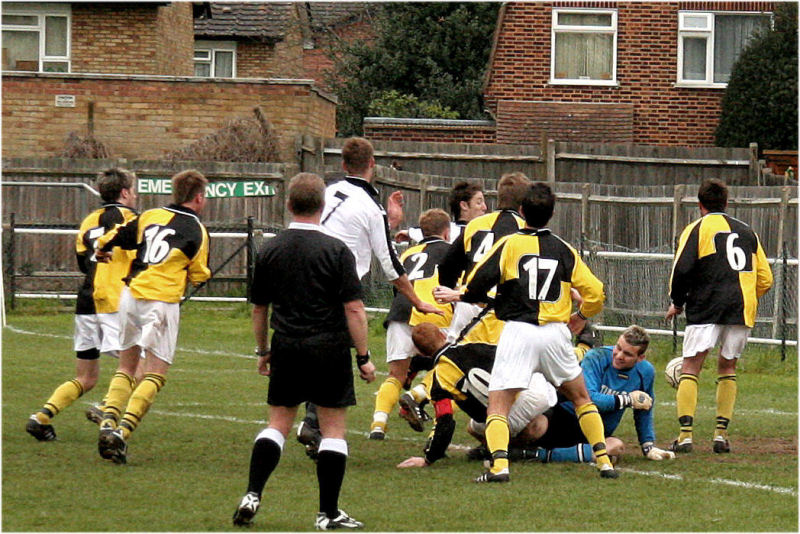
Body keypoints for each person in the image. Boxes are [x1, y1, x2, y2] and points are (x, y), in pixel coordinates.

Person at [435, 182, 618, 481]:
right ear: (552, 214)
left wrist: (462, 295)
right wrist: (581, 316)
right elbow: (596, 292)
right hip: (555, 334)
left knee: (498, 404)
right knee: (582, 398)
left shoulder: (509, 245)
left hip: (519, 332)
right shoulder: (563, 248)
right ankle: (603, 461)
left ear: (522, 212)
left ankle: (500, 467)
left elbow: (478, 281)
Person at [231, 173, 376, 530]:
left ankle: (252, 492)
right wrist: (363, 356)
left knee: (277, 425)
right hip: (328, 348)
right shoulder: (337, 250)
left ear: (288, 204)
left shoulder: (271, 249)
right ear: (323, 206)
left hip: (287, 345)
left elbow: (259, 309)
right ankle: (328, 513)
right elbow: (354, 309)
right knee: (333, 431)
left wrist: (263, 350)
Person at [298, 137, 441, 453]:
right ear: (373, 164)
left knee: (317, 350)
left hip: (304, 275)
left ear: (343, 165)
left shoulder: (327, 191)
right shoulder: (369, 206)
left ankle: (313, 425)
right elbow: (389, 262)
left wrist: (389, 223)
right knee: (334, 354)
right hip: (337, 283)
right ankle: (313, 423)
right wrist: (416, 300)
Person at [93, 169, 211, 464]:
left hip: (131, 295)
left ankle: (108, 422)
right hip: (161, 302)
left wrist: (102, 250)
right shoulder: (197, 229)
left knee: (126, 364)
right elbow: (199, 274)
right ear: (198, 198)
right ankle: (121, 433)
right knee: (156, 372)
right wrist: (199, 274)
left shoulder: (149, 216)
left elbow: (115, 237)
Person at [25, 168, 139, 441]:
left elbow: (82, 262)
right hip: (114, 300)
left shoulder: (89, 220)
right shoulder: (132, 220)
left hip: (87, 300)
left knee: (86, 376)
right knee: (140, 366)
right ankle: (107, 414)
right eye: (133, 190)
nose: (135, 195)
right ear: (124, 192)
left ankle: (41, 418)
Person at [665, 178, 772, 454]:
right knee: (727, 368)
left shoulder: (696, 229)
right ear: (726, 203)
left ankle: (685, 435)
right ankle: (721, 435)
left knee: (691, 367)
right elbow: (766, 278)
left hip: (706, 306)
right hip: (740, 307)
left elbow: (682, 270)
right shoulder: (748, 232)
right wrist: (746, 295)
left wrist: (677, 303)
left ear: (700, 205)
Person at [472, 326, 675, 465]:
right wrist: (627, 399)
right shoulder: (596, 357)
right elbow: (590, 399)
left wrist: (648, 446)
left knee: (616, 447)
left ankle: (531, 455)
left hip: (595, 431)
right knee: (535, 427)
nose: (619, 355)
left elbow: (645, 409)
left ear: (641, 358)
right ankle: (498, 447)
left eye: (627, 354)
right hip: (564, 418)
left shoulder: (645, 372)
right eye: (618, 348)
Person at [396, 317, 557, 469]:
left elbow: (445, 423)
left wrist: (428, 460)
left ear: (422, 353)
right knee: (533, 378)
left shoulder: (438, 381)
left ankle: (506, 451)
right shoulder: (471, 345)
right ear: (442, 334)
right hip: (535, 391)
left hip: (506, 412)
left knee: (477, 428)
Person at [370, 209, 453, 440]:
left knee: (396, 374)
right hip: (435, 312)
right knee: (447, 371)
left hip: (401, 311)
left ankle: (378, 424)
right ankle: (418, 395)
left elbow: (396, 284)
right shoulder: (452, 251)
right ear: (446, 233)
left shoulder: (408, 253)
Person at [437, 172, 529, 343]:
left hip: (467, 303)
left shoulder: (475, 224)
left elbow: (447, 265)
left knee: (454, 363)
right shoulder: (524, 229)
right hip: (500, 308)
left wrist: (451, 292)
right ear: (525, 204)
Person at [396, 181, 487, 244]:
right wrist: (409, 233)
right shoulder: (445, 229)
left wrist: (408, 233)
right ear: (464, 205)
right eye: (479, 202)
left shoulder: (447, 228)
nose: (484, 208)